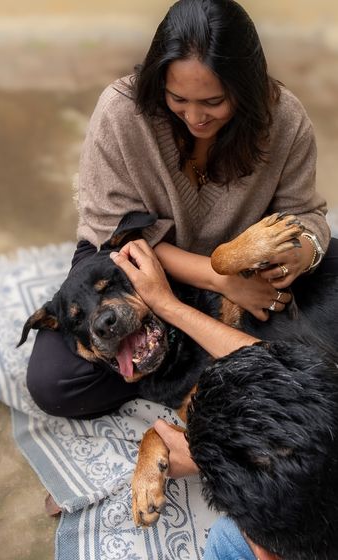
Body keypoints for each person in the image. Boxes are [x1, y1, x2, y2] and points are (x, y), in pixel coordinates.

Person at [27, 0, 337, 418]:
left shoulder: (284, 119)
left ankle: (225, 365)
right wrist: (222, 281)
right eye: (177, 98)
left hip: (241, 256)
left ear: (245, 89)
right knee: (56, 385)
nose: (195, 116)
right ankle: (218, 361)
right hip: (127, 257)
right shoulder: (122, 111)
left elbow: (305, 214)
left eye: (213, 101)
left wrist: (298, 254)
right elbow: (110, 229)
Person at [110, 238, 338, 560]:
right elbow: (286, 371)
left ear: (262, 553)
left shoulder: (230, 545)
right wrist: (166, 304)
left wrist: (205, 456)